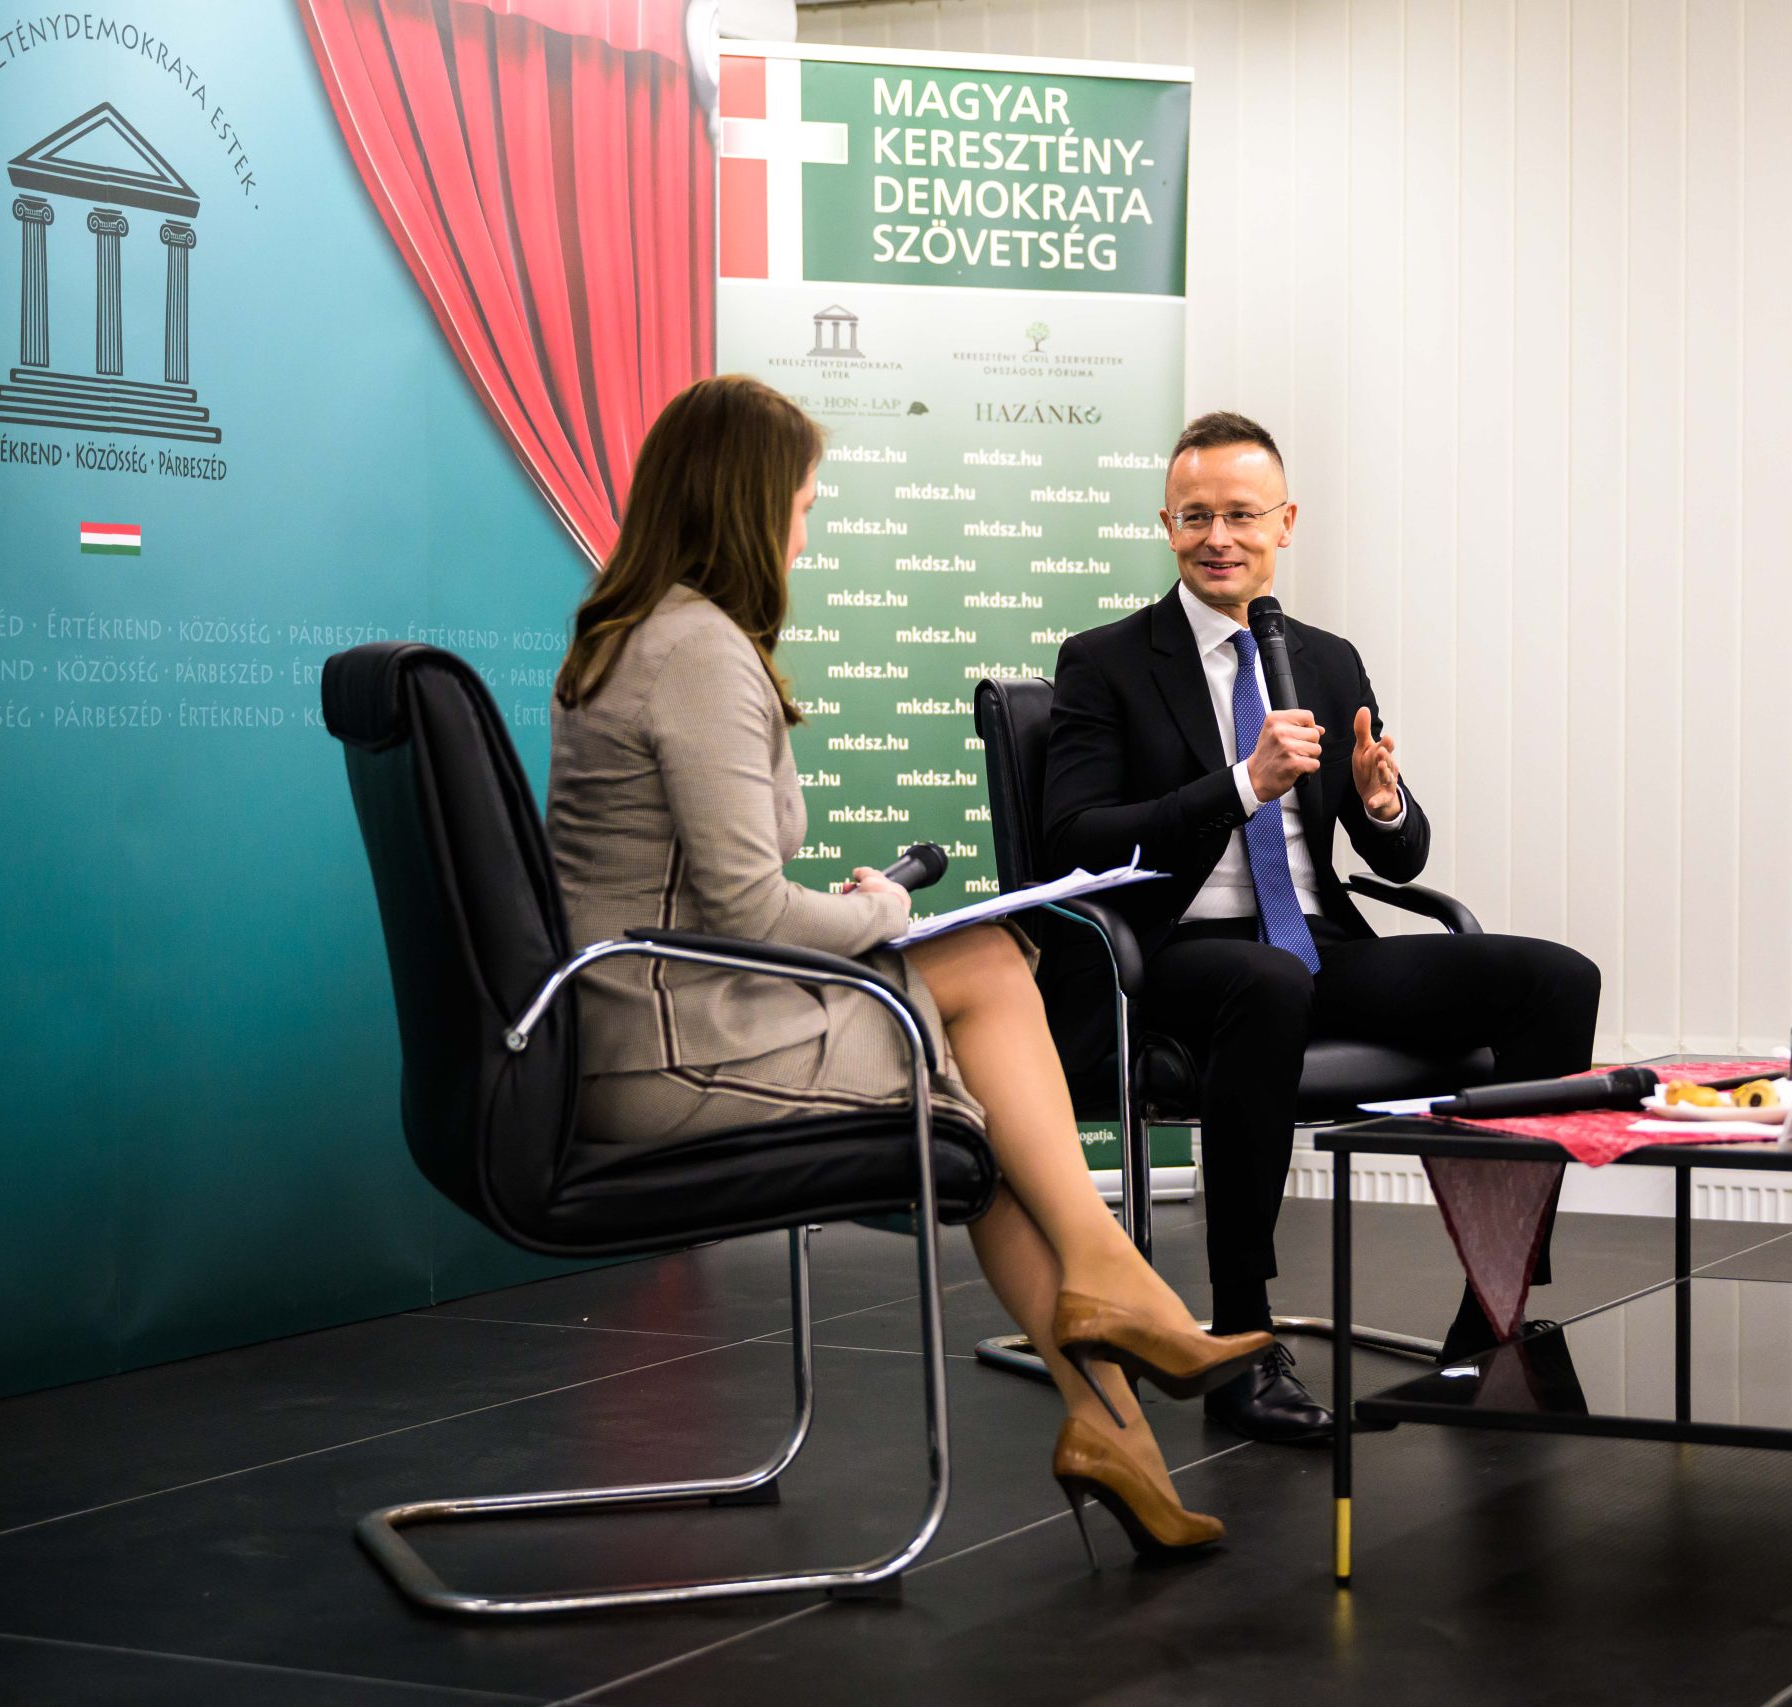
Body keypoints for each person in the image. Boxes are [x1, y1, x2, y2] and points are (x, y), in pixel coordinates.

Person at [544, 375, 1270, 1559]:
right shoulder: (696, 652)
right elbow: (744, 909)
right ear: (748, 504)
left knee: (986, 1054)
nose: (805, 531)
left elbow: (707, 896)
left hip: (656, 1017)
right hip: (674, 1050)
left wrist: (853, 920)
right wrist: (881, 909)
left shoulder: (640, 634)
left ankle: (1114, 1413)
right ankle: (1116, 1306)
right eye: (802, 506)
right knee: (983, 1001)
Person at [1042, 411, 1605, 1443]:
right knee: (1265, 983)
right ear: (1166, 525)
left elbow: (1400, 859)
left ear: (1285, 523)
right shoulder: (1105, 662)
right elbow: (1073, 842)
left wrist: (1383, 803)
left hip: (1313, 944)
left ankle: (1492, 1313)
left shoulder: (1324, 660)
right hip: (1170, 955)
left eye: (1241, 514)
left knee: (1558, 979)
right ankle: (1240, 1339)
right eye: (1195, 516)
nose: (1218, 536)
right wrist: (1239, 786)